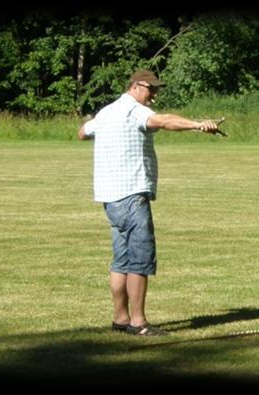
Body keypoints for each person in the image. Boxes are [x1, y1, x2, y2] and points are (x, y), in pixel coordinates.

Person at [78, 70, 222, 335]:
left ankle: (120, 319)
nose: (155, 95)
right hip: (132, 197)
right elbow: (164, 121)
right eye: (151, 89)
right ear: (135, 86)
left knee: (120, 260)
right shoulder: (134, 111)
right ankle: (138, 322)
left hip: (110, 199)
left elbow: (83, 132)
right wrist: (198, 124)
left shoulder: (108, 112)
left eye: (157, 90)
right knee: (139, 261)